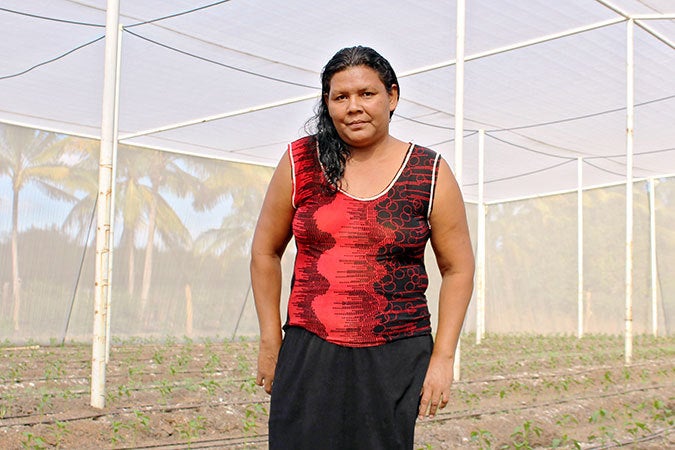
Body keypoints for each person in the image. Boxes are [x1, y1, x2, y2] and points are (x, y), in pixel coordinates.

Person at [250, 45, 475, 450]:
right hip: (310, 348)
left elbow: (458, 268)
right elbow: (265, 251)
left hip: (395, 354)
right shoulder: (301, 161)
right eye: (341, 97)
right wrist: (271, 340)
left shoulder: (429, 172)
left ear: (392, 97)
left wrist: (443, 358)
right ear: (327, 103)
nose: (354, 106)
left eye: (366, 94)